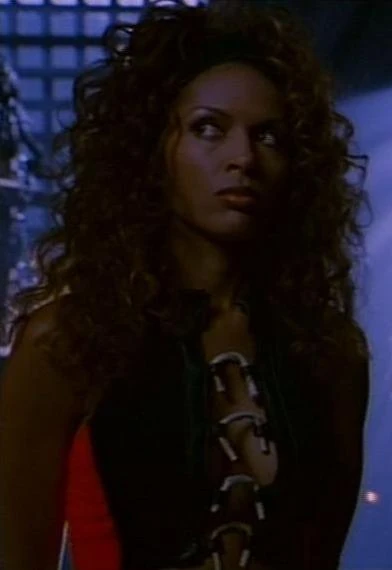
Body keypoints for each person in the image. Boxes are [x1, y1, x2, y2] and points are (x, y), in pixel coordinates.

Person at [0, 1, 370, 569]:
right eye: (208, 129)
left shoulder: (330, 351)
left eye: (269, 137)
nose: (243, 158)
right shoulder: (69, 341)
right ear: (152, 151)